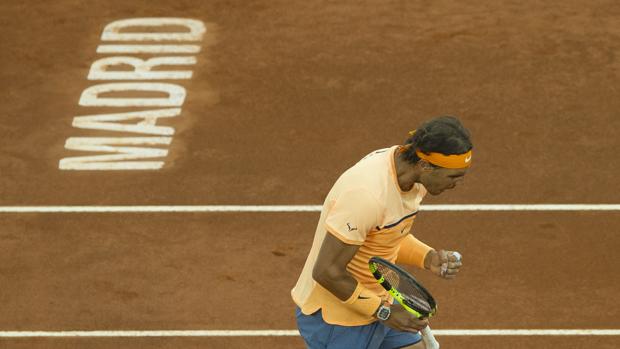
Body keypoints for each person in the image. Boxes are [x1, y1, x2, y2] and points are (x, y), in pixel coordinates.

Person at [291, 116, 472, 349]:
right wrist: (385, 312)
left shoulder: (413, 179)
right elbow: (327, 272)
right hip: (339, 319)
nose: (456, 184)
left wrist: (428, 258)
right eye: (453, 177)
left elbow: (385, 235)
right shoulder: (367, 194)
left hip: (377, 302)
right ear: (426, 165)